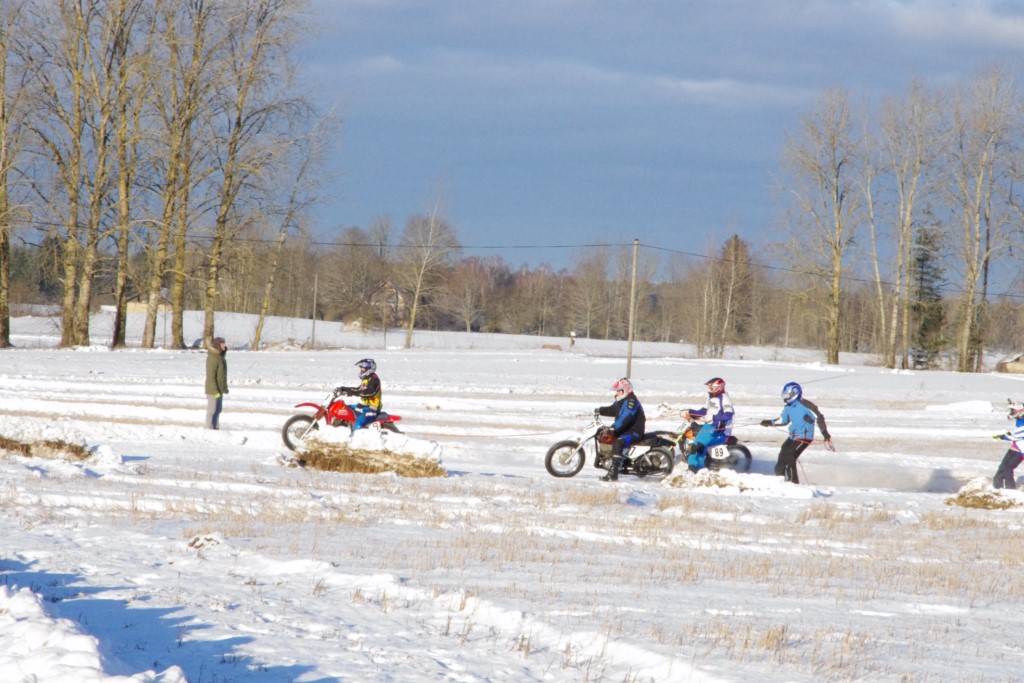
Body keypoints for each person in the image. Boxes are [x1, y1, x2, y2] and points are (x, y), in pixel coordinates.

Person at [760, 381, 829, 483]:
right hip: (793, 436)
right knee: (783, 451)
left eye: (788, 395)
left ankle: (793, 483)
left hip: (804, 437)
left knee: (790, 456)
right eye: (785, 395)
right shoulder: (788, 407)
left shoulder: (806, 404)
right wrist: (770, 422)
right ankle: (780, 478)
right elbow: (783, 420)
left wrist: (824, 432)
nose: (786, 398)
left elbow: (819, 416)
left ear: (795, 393)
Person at [596, 377, 646, 482]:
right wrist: (600, 410)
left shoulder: (631, 402)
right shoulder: (622, 401)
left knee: (617, 443)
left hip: (634, 432)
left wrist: (614, 428)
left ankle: (613, 473)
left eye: (618, 390)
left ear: (625, 390)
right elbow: (613, 410)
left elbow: (626, 418)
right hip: (626, 430)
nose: (617, 393)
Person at [682, 377, 734, 471]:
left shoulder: (724, 399)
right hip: (708, 426)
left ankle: (696, 468)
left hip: (716, 429)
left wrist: (713, 417)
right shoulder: (711, 398)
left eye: (711, 387)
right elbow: (703, 411)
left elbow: (728, 415)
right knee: (695, 442)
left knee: (698, 446)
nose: (710, 389)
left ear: (718, 387)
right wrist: (690, 412)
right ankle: (695, 466)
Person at [336, 358, 383, 432]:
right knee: (345, 409)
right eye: (361, 368)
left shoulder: (374, 379)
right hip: (365, 406)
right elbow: (358, 390)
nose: (361, 370)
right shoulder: (366, 380)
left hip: (373, 408)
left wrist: (360, 393)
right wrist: (344, 389)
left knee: (358, 424)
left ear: (369, 369)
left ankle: (355, 435)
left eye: (363, 368)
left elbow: (370, 392)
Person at [993, 399, 1024, 489]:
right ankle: (996, 488)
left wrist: (1002, 437)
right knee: (1002, 467)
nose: (1011, 412)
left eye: (1013, 411)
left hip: (1021, 450)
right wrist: (1007, 434)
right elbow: (1015, 432)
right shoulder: (1019, 420)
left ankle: (1010, 490)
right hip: (1015, 447)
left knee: (1008, 468)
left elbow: (1017, 436)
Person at [205, 336, 228, 429]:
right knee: (212, 410)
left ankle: (215, 427)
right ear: (218, 345)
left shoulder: (220, 357)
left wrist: (223, 388)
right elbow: (211, 377)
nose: (224, 345)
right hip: (213, 390)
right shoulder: (212, 358)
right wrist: (215, 391)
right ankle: (209, 428)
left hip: (219, 389)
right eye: (222, 344)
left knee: (218, 410)